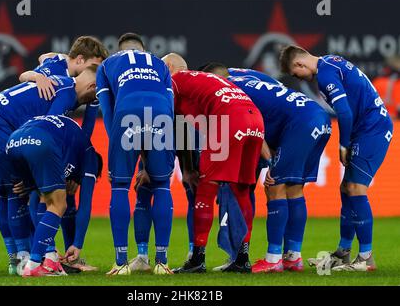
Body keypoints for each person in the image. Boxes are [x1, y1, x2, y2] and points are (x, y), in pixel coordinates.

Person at [202, 62, 331, 273]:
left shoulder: (228, 91)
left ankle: (273, 260)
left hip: (299, 124)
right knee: (294, 189)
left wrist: (271, 161)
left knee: (274, 187)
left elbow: (251, 125)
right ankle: (293, 257)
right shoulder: (247, 75)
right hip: (317, 116)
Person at [0, 65, 98, 274]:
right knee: (35, 195)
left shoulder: (59, 78)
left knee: (11, 192)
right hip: (0, 125)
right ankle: (40, 257)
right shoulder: (67, 95)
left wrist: (35, 75)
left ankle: (19, 259)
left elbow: (42, 60)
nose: (96, 100)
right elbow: (49, 128)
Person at [279, 45, 393, 271]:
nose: (296, 78)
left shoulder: (325, 74)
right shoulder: (331, 60)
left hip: (372, 129)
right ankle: (342, 253)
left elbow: (345, 112)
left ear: (299, 64)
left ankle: (366, 259)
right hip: (370, 126)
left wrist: (344, 144)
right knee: (346, 188)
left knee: (355, 188)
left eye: (294, 73)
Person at [162, 53, 265, 273]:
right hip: (255, 120)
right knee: (242, 190)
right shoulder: (204, 80)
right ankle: (242, 257)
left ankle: (197, 259)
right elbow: (183, 125)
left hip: (229, 120)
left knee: (206, 189)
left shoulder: (174, 81)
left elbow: (174, 124)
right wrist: (189, 167)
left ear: (168, 67)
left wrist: (188, 169)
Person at [96, 42, 175, 275]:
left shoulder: (107, 64)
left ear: (120, 48)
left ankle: (121, 263)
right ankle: (162, 262)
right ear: (142, 48)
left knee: (120, 186)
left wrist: (117, 146)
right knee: (161, 185)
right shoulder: (160, 63)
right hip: (161, 113)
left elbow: (107, 108)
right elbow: (170, 105)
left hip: (127, 111)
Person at [6, 115, 102, 277]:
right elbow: (85, 205)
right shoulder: (90, 157)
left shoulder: (68, 146)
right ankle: (34, 265)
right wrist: (77, 244)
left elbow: (36, 203)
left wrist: (48, 243)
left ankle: (49, 259)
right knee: (59, 204)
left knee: (39, 197)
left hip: (13, 141)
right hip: (40, 140)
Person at [19, 36, 108, 100]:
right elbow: (23, 76)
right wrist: (38, 77)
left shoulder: (61, 63)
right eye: (94, 65)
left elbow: (44, 56)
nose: (96, 71)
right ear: (80, 59)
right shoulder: (55, 68)